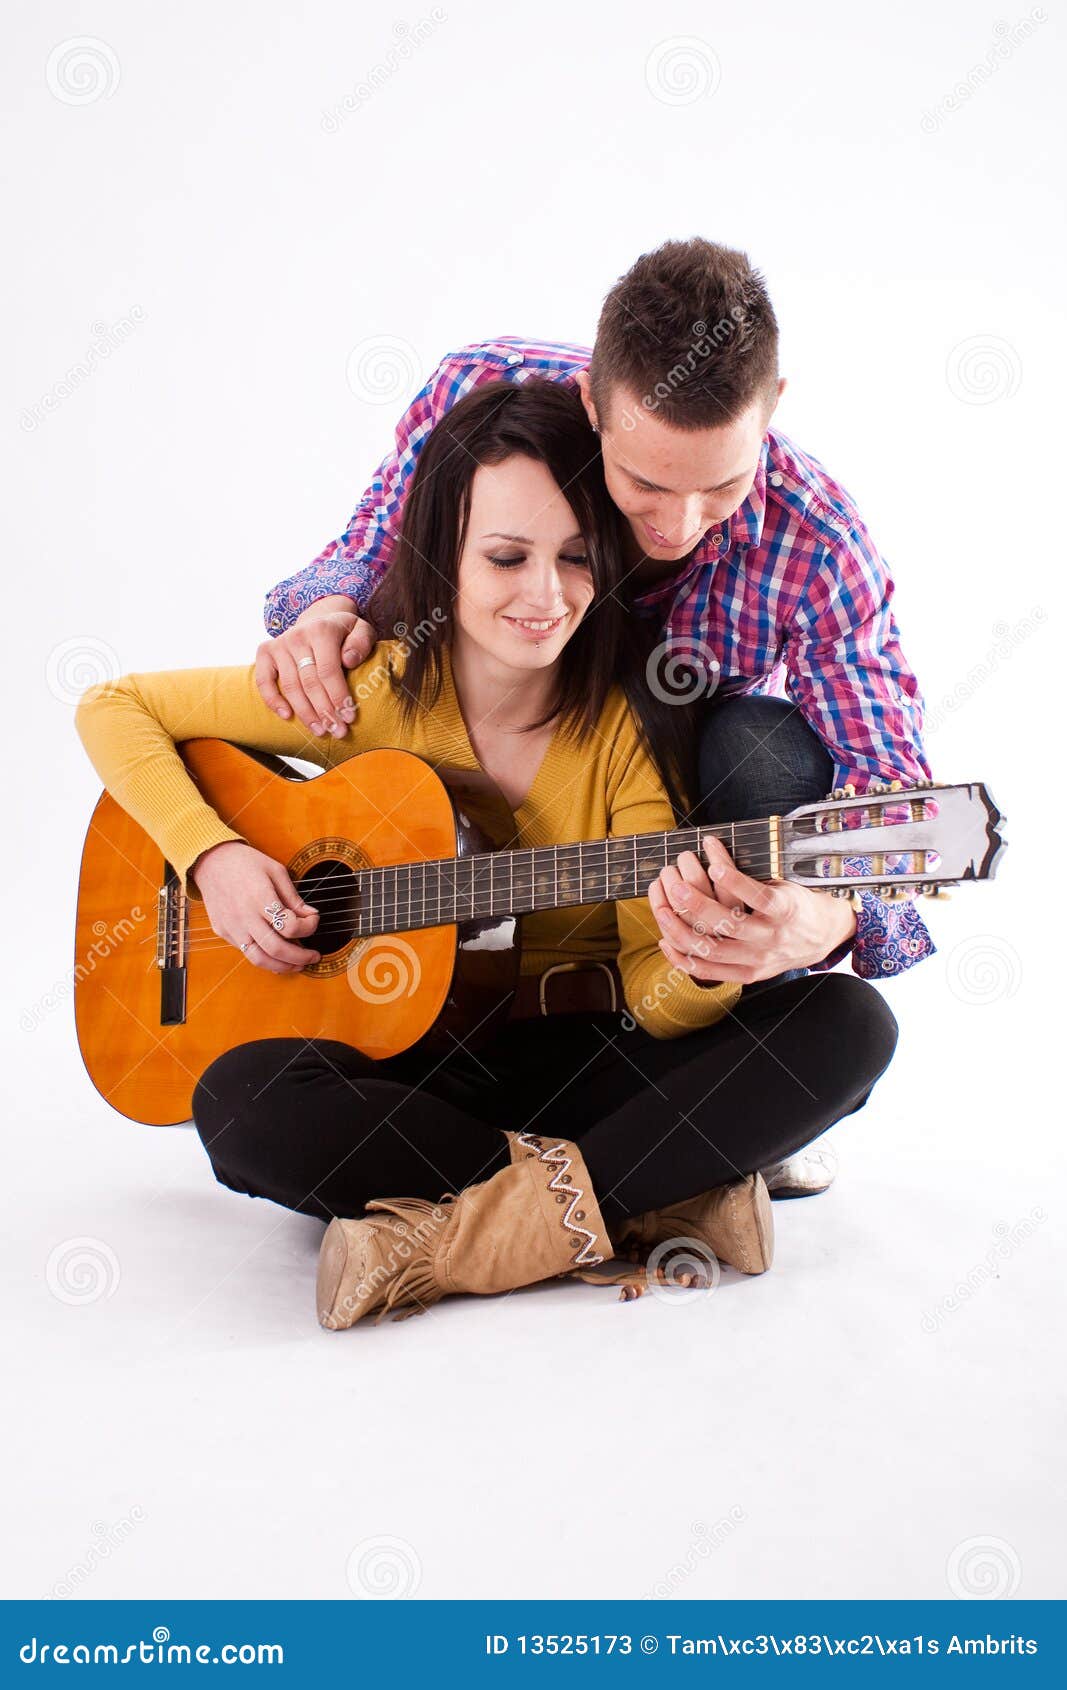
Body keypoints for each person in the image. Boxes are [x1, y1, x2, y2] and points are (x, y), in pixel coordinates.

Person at [75, 382, 898, 1330]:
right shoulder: (368, 694)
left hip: (582, 1057)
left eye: (577, 559)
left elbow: (654, 1000)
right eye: (505, 557)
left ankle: (471, 1237)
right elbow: (114, 706)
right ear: (442, 559)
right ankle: (652, 1190)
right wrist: (213, 855)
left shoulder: (623, 737)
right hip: (413, 1072)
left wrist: (699, 963)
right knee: (240, 1102)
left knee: (847, 1024)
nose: (544, 597)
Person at [253, 240, 934, 1138]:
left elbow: (902, 801)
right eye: (644, 484)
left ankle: (727, 1071)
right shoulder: (487, 392)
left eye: (720, 487)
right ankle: (401, 1017)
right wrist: (328, 610)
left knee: (761, 747)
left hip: (670, 817)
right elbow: (376, 545)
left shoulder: (821, 545)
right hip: (478, 783)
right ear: (590, 405)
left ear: (771, 407)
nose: (677, 526)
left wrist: (831, 918)